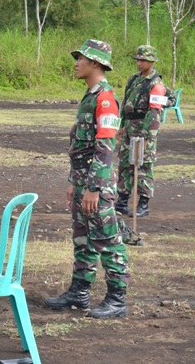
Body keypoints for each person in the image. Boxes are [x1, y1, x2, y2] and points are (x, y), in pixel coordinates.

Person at [45, 39, 130, 319]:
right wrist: (74, 182)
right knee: (83, 239)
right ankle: (79, 292)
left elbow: (105, 147)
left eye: (80, 58)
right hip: (83, 182)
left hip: (97, 185)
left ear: (95, 63)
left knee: (107, 240)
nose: (76, 63)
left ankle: (117, 298)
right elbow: (81, 148)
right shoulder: (90, 96)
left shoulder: (105, 98)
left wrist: (94, 187)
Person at [115, 45, 167, 218]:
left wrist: (146, 136)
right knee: (124, 165)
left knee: (144, 166)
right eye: (137, 59)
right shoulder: (134, 79)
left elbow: (154, 114)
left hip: (144, 130)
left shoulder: (156, 84)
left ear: (151, 61)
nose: (139, 62)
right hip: (129, 127)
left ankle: (143, 204)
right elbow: (126, 103)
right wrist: (121, 126)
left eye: (143, 60)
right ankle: (122, 202)